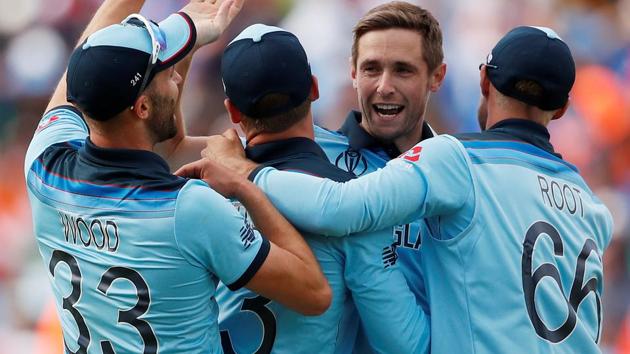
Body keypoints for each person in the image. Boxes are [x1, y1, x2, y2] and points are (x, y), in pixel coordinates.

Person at [183, 26, 614, 353]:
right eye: (372, 68)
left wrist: (245, 176)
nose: (386, 85)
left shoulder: (457, 160)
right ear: (562, 109)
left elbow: (340, 209)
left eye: (403, 69)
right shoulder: (595, 208)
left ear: (480, 80)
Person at [23, 0, 331, 353]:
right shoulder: (188, 209)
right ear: (142, 108)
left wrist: (186, 32)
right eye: (167, 74)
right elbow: (313, 294)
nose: (179, 76)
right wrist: (247, 182)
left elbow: (92, 57)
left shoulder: (43, 167)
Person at [204, 23, 428, 353]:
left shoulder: (200, 196)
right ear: (314, 88)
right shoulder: (355, 208)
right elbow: (404, 346)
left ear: (232, 111)